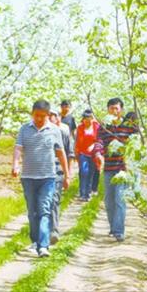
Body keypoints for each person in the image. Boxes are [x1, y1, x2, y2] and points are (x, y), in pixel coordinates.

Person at [12, 100, 70, 257]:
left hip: (48, 177)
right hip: (28, 177)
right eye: (37, 115)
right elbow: (18, 148)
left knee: (45, 210)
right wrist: (15, 164)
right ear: (32, 113)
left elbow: (60, 153)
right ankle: (35, 241)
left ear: (48, 115)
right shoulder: (24, 129)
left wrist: (66, 174)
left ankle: (44, 245)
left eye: (43, 116)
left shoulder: (54, 130)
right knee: (32, 212)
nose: (39, 119)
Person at [94, 98, 138, 242]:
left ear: (121, 110)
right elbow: (99, 141)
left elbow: (137, 141)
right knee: (109, 200)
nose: (114, 111)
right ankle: (113, 227)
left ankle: (119, 231)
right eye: (111, 108)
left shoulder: (128, 126)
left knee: (120, 199)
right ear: (107, 109)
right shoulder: (104, 126)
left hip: (123, 169)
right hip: (108, 167)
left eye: (117, 108)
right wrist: (98, 153)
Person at [49, 109, 75, 244]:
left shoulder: (64, 133)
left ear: (57, 118)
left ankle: (53, 230)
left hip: (57, 171)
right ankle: (42, 232)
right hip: (41, 172)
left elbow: (70, 154)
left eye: (51, 116)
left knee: (54, 200)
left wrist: (67, 174)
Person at [75, 109, 99, 202]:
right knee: (84, 172)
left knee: (91, 173)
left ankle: (88, 193)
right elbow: (78, 141)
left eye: (89, 118)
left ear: (92, 118)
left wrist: (94, 146)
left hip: (93, 154)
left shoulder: (97, 127)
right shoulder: (80, 128)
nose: (87, 120)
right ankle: (82, 193)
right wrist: (76, 153)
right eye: (85, 118)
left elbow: (99, 140)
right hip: (83, 153)